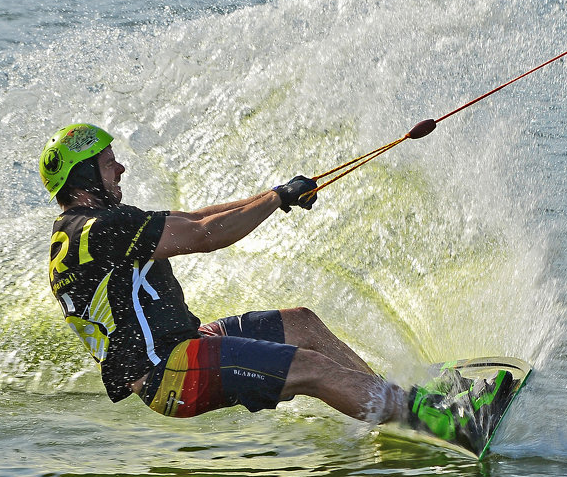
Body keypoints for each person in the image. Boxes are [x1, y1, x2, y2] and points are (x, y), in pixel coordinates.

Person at [39, 122, 509, 453]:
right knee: (311, 369)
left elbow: (193, 218)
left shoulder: (86, 228)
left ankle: (389, 404)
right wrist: (276, 199)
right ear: (85, 179)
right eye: (107, 164)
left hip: (187, 346)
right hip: (169, 373)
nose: (120, 169)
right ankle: (442, 423)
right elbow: (206, 237)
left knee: (302, 324)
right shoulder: (99, 229)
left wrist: (276, 194)